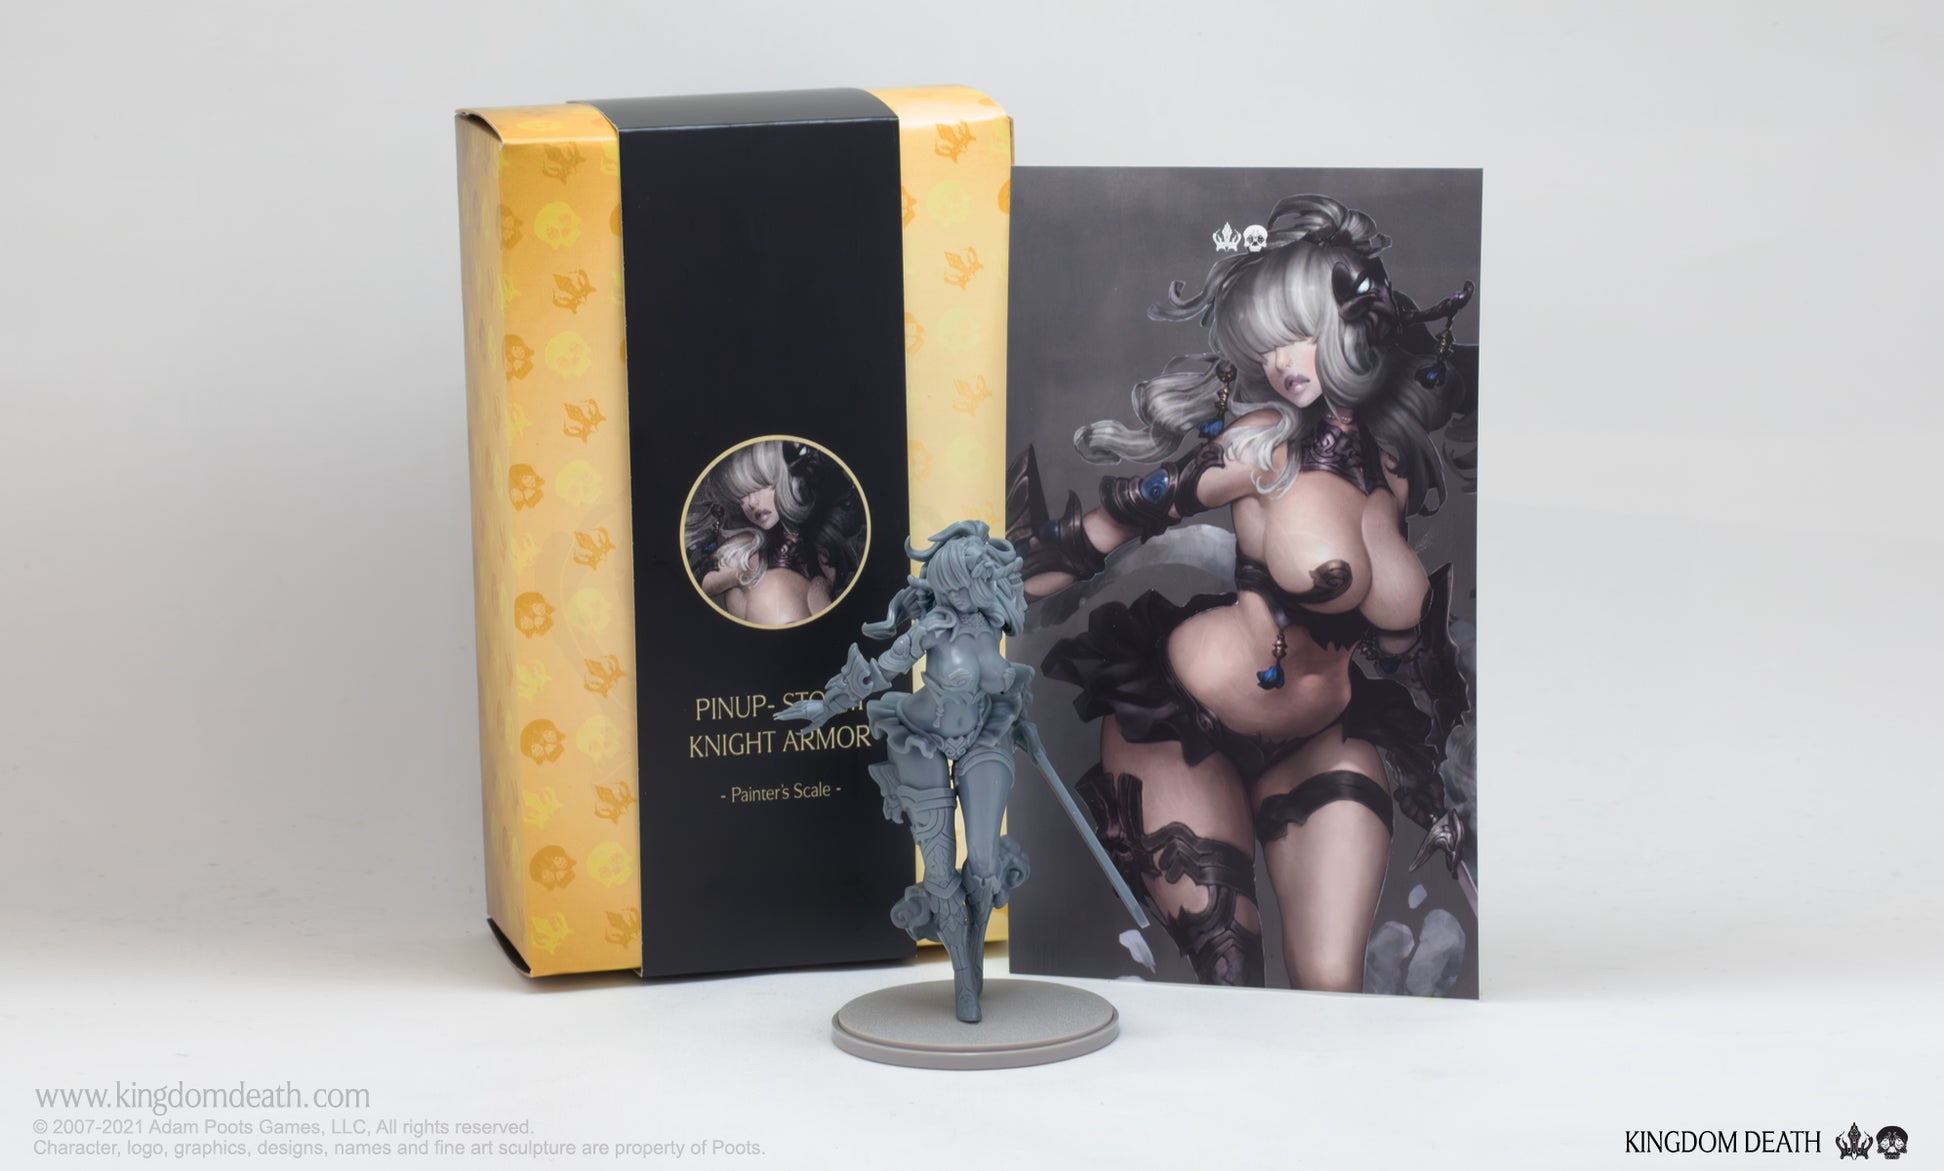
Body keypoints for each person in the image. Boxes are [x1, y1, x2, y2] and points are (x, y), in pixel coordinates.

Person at [1009, 195, 1476, 991]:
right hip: (1184, 723)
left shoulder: (1394, 468)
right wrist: (987, 582)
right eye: (1267, 342)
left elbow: (1417, 652)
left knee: (1332, 989)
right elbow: (1104, 531)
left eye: (1300, 333)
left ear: (1351, 333)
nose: (1281, 361)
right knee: (1231, 972)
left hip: (1323, 735)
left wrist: (1444, 783)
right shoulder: (1260, 448)